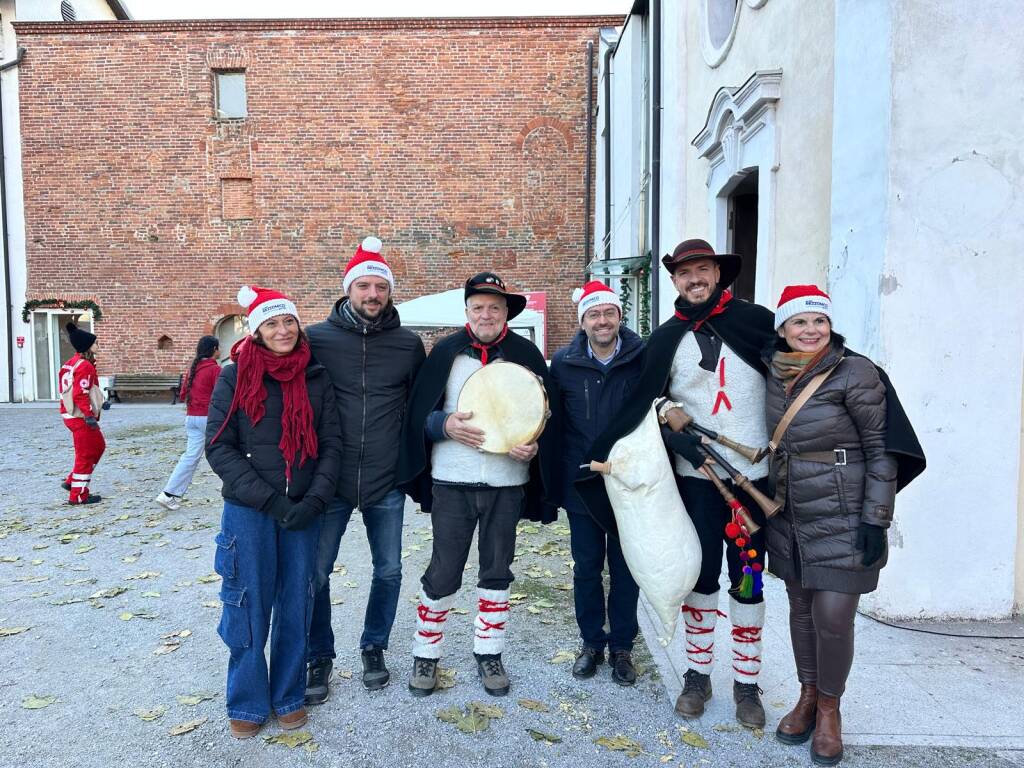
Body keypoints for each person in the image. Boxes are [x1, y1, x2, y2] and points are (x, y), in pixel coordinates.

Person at [576, 239, 777, 728]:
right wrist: (669, 422)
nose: (694, 279)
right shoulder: (666, 337)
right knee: (702, 578)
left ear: (717, 274)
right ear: (674, 281)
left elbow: (801, 368)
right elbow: (647, 398)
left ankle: (747, 683)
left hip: (754, 480)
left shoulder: (756, 323)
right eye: (685, 273)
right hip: (696, 482)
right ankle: (697, 674)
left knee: (748, 580)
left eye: (702, 270)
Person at [764, 285, 924, 765]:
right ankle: (807, 695)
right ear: (783, 330)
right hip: (790, 511)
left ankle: (831, 709)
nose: (811, 331)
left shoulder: (855, 371)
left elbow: (882, 450)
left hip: (843, 510)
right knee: (799, 609)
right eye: (800, 323)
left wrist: (876, 519)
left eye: (819, 322)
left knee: (833, 618)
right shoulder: (773, 372)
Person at [396, 272, 559, 698]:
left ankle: (489, 654)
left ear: (506, 312)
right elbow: (417, 417)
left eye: (494, 307)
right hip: (452, 482)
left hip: (507, 484)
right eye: (478, 307)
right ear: (466, 311)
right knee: (443, 571)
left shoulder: (525, 355)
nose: (486, 314)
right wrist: (443, 423)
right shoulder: (445, 353)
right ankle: (425, 655)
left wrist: (534, 444)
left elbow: (545, 416)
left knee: (497, 570)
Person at [205, 285, 342, 740]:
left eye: (288, 322)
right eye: (272, 323)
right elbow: (218, 447)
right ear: (257, 331)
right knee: (247, 602)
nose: (282, 330)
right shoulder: (234, 377)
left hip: (304, 510)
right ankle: (246, 700)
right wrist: (271, 500)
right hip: (250, 511)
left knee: (295, 603)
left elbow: (332, 445)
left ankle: (288, 696)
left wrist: (314, 501)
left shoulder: (316, 377)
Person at [304, 237, 425, 701]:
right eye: (364, 286)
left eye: (380, 287)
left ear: (389, 292)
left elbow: (419, 407)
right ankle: (319, 656)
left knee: (390, 570)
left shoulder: (407, 345)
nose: (372, 295)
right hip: (329, 479)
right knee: (316, 573)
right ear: (348, 290)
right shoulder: (316, 339)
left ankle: (374, 646)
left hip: (384, 479)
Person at [549, 281, 644, 685]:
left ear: (619, 317)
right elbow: (554, 423)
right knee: (587, 567)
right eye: (593, 314)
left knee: (625, 568)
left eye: (609, 313)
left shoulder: (642, 357)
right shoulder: (564, 362)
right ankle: (591, 642)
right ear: (583, 321)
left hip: (627, 482)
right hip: (582, 483)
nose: (602, 321)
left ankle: (622, 645)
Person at [156, 335, 220, 510]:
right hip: (210, 418)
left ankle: (168, 494)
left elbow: (183, 394)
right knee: (227, 452)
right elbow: (221, 396)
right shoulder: (215, 370)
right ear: (214, 349)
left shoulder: (192, 369)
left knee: (190, 457)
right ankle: (238, 491)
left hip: (191, 417)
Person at [59, 322, 106, 505]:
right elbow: (80, 393)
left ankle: (73, 481)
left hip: (69, 413)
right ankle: (78, 495)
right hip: (80, 417)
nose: (98, 345)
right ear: (87, 346)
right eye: (95, 343)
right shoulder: (85, 366)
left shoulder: (70, 363)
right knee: (85, 454)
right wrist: (88, 415)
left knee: (98, 446)